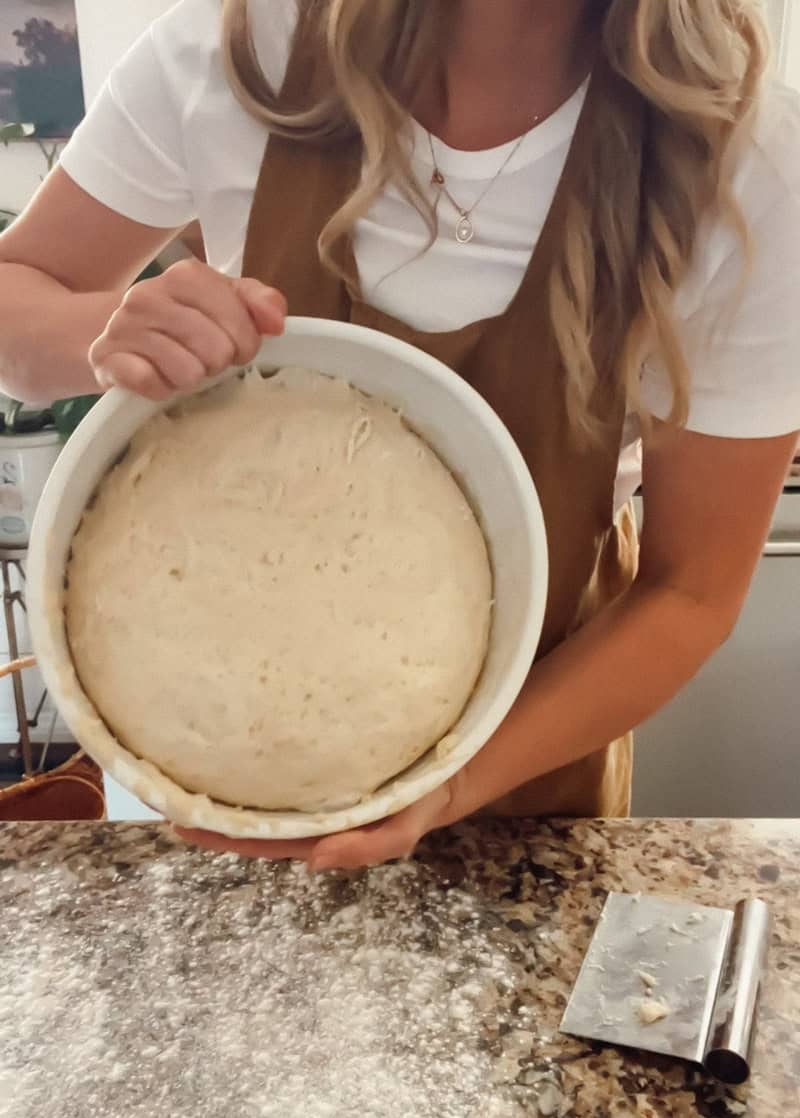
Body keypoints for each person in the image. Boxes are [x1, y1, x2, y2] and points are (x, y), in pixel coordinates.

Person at [0, 0, 798, 868]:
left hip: (525, 793)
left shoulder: (745, 160)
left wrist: (450, 784)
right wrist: (111, 330)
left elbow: (689, 590)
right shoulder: (242, 54)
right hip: (207, 792)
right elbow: (18, 301)